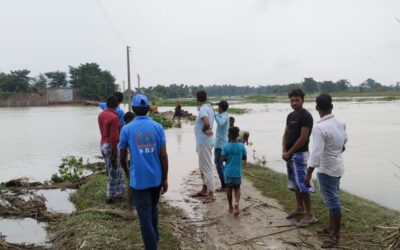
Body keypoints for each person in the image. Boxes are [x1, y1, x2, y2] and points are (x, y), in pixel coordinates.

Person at [120, 94, 168, 250]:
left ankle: (151, 246)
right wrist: (165, 178)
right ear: (148, 109)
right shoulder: (158, 127)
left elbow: (122, 157)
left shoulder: (127, 129)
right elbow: (163, 155)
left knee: (144, 217)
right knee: (153, 208)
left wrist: (128, 173)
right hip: (156, 178)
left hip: (138, 181)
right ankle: (155, 237)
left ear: (133, 109)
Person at [305, 94, 347, 248]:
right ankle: (330, 228)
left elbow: (316, 153)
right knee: (332, 197)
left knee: (332, 201)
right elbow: (343, 144)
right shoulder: (340, 123)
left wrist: (308, 173)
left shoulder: (319, 127)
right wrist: (334, 153)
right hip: (337, 166)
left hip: (326, 169)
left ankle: (335, 235)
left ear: (317, 108)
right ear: (332, 106)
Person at [282, 88, 317, 227]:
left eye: (297, 100)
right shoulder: (290, 116)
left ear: (302, 100)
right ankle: (299, 207)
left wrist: (289, 152)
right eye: (292, 100)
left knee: (303, 184)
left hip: (300, 155)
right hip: (289, 154)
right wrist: (284, 150)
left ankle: (310, 215)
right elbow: (285, 134)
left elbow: (303, 138)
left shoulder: (306, 116)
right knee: (295, 183)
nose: (294, 103)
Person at [98, 95, 126, 204]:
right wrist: (114, 153)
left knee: (111, 169)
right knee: (114, 171)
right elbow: (114, 137)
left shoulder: (101, 115)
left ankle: (117, 193)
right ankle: (110, 196)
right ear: (118, 104)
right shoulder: (114, 117)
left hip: (103, 144)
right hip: (111, 145)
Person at [191, 90, 215, 203]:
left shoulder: (203, 109)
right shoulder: (209, 107)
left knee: (207, 168)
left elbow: (206, 122)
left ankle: (211, 194)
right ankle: (205, 189)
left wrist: (205, 129)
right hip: (204, 142)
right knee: (203, 167)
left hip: (204, 143)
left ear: (197, 99)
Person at [221, 126, 247, 216]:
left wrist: (228, 157)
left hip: (228, 171)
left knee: (229, 188)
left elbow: (223, 159)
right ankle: (236, 202)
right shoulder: (241, 146)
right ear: (237, 135)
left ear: (229, 134)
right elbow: (244, 157)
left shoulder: (225, 146)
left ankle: (230, 207)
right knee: (237, 188)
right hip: (237, 171)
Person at [214, 100, 229, 191]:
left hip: (221, 145)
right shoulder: (223, 115)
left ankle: (224, 185)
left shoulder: (224, 116)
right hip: (220, 143)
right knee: (220, 164)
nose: (217, 108)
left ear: (221, 108)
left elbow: (220, 122)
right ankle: (226, 182)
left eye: (218, 106)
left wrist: (214, 114)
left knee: (219, 165)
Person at [123, 111, 135, 210]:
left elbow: (123, 150)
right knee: (131, 182)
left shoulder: (126, 129)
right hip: (131, 159)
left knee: (131, 182)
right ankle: (130, 204)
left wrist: (126, 169)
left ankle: (130, 205)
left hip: (131, 159)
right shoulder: (130, 129)